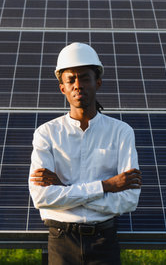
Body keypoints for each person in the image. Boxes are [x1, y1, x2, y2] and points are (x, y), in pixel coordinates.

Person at [28, 42, 142, 265]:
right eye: (71, 80)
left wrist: (66, 192)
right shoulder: (46, 133)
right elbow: (42, 197)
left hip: (104, 240)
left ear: (97, 82)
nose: (78, 85)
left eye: (85, 78)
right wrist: (105, 186)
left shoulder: (121, 132)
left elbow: (129, 200)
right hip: (61, 241)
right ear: (63, 88)